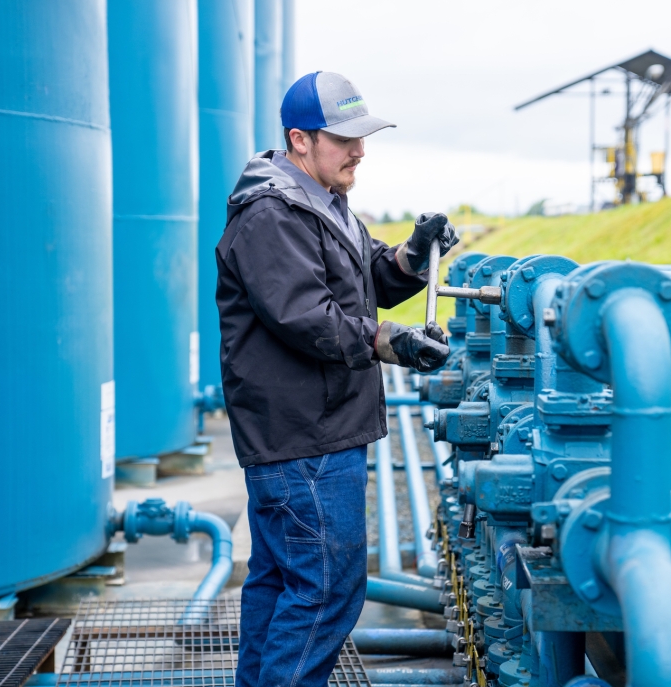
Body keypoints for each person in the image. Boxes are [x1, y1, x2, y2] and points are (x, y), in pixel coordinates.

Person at [216, 71, 458, 687]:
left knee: (279, 583)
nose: (360, 150)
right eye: (344, 138)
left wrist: (410, 254)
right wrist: (393, 343)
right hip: (304, 439)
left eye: (363, 136)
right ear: (300, 140)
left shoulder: (321, 200)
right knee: (326, 589)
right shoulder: (271, 213)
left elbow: (364, 278)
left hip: (309, 434)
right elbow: (306, 315)